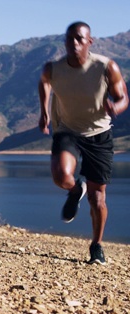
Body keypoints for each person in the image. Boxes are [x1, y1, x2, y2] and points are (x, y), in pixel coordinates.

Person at [38, 21, 128, 265]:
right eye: (69, 39)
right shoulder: (53, 68)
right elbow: (44, 81)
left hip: (99, 135)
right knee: (60, 175)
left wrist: (115, 107)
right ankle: (75, 189)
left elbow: (123, 98)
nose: (74, 44)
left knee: (97, 199)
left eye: (79, 39)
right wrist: (44, 111)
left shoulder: (106, 67)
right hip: (67, 130)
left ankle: (96, 246)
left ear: (90, 41)